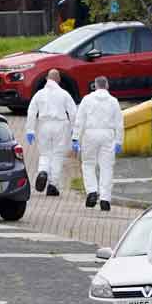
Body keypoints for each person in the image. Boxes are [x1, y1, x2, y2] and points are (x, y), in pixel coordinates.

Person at [72, 76, 123, 211]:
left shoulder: (87, 100)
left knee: (88, 164)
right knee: (106, 167)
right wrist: (119, 141)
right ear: (107, 86)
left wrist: (75, 138)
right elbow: (119, 123)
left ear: (95, 86)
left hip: (90, 134)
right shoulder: (113, 101)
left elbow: (80, 119)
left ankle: (92, 191)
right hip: (108, 134)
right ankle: (105, 199)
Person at [25, 69, 77, 196]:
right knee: (57, 155)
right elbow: (73, 113)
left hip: (44, 125)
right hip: (60, 125)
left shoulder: (39, 94)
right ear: (58, 79)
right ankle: (53, 185)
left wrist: (30, 130)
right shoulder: (64, 94)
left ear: (47, 79)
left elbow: (31, 112)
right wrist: (74, 132)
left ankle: (42, 171)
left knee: (45, 153)